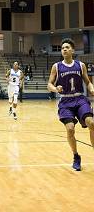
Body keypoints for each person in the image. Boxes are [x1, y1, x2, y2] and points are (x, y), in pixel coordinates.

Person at [48, 38, 94, 171]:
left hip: (80, 98)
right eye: (62, 48)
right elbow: (49, 84)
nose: (64, 49)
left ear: (72, 50)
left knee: (91, 122)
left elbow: (87, 81)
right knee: (70, 129)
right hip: (66, 101)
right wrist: (56, 89)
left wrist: (91, 88)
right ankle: (76, 156)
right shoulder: (56, 66)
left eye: (67, 47)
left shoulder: (80, 65)